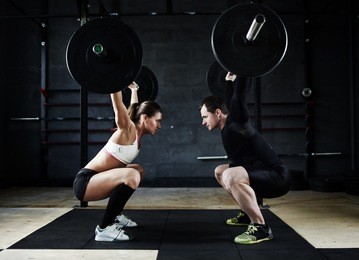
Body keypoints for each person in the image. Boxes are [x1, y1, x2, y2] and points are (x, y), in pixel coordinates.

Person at [199, 72, 291, 244]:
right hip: (260, 173)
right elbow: (230, 95)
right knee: (220, 171)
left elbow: (238, 96)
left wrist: (242, 67)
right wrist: (228, 80)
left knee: (230, 175)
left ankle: (260, 227)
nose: (203, 122)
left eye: (205, 117)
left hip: (277, 176)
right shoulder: (228, 123)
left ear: (218, 113)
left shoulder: (237, 121)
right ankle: (247, 212)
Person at [73, 82, 163, 242]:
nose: (159, 125)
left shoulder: (136, 130)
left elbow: (133, 107)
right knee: (132, 175)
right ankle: (104, 228)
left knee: (138, 170)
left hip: (98, 180)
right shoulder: (127, 130)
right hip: (85, 183)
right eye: (157, 120)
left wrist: (134, 90)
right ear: (145, 118)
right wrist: (115, 80)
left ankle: (116, 214)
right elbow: (118, 106)